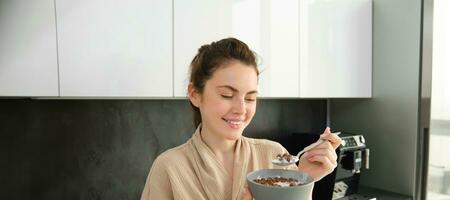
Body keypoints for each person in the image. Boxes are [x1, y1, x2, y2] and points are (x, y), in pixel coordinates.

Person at [140, 38, 342, 200]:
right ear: (194, 94)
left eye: (250, 98)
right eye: (227, 95)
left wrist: (304, 180)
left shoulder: (274, 156)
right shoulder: (170, 168)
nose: (241, 109)